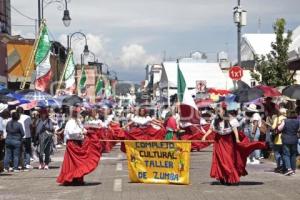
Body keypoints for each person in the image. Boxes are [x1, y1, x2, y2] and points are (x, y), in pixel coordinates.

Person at [202, 103, 265, 185]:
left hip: (229, 142)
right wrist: (204, 136)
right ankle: (222, 176)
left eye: (219, 111)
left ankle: (231, 177)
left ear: (224, 110)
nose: (218, 112)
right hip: (219, 142)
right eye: (217, 111)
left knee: (228, 159)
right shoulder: (215, 120)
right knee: (220, 160)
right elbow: (211, 129)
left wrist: (237, 139)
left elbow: (235, 129)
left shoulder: (231, 119)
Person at [57, 107, 102, 185]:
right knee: (73, 162)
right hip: (72, 143)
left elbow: (82, 129)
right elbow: (71, 132)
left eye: (77, 113)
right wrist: (81, 132)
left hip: (78, 143)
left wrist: (85, 131)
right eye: (75, 113)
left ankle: (77, 178)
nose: (76, 114)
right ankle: (71, 178)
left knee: (79, 162)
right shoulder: (70, 122)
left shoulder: (77, 121)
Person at [277, 111, 299, 176]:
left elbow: (279, 128)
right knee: (293, 154)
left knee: (286, 154)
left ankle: (289, 169)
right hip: (294, 139)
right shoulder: (298, 121)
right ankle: (293, 169)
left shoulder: (285, 121)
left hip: (286, 139)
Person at [271, 108, 287, 173]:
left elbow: (273, 127)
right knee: (284, 153)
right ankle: (284, 166)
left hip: (278, 139)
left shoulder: (277, 119)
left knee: (277, 153)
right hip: (285, 138)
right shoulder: (287, 119)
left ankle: (279, 166)